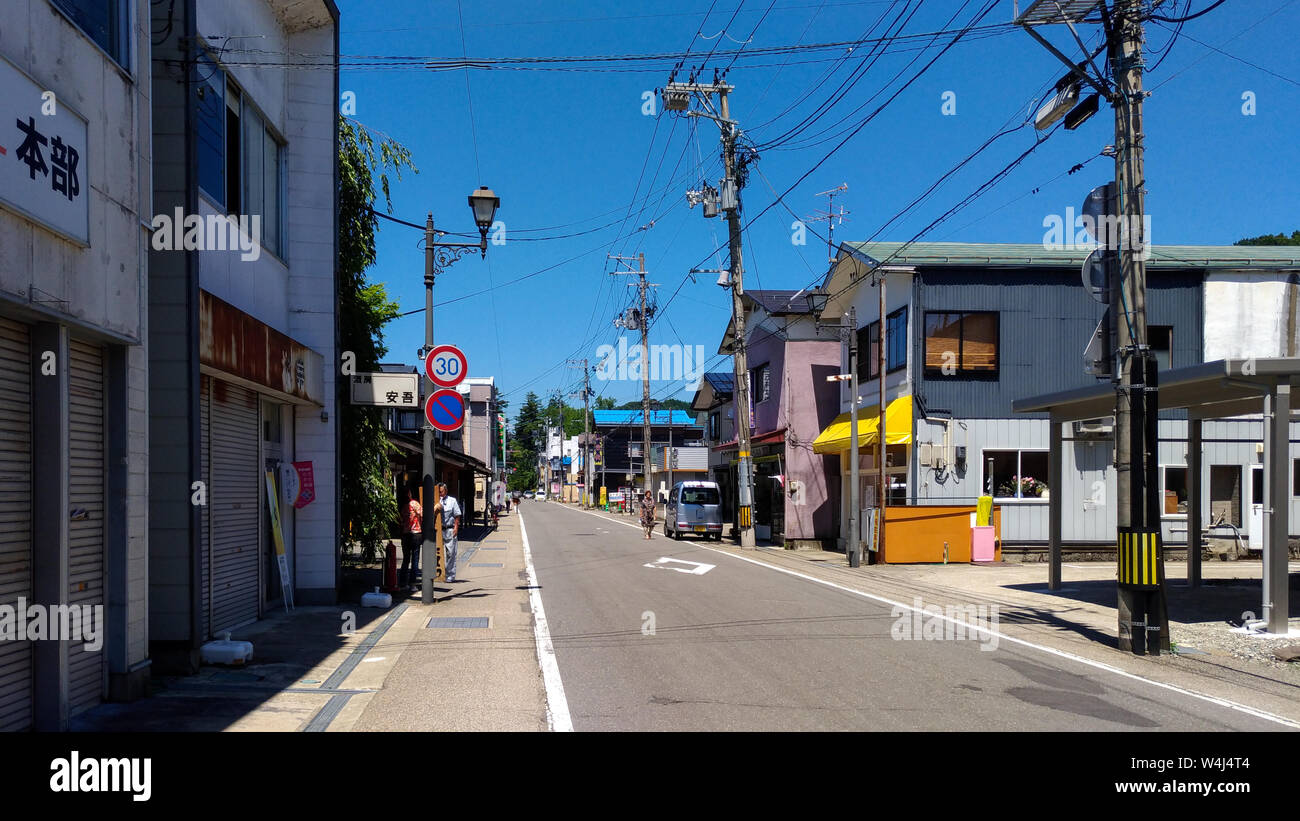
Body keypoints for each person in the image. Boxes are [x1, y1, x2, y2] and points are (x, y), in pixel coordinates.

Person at [399, 482, 423, 591]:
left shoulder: (402, 507)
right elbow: (423, 514)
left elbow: (400, 521)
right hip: (416, 533)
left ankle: (403, 583)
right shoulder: (414, 504)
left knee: (406, 559)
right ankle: (413, 583)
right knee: (415, 559)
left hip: (405, 534)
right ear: (409, 493)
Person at [438, 482, 463, 582]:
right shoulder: (435, 500)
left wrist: (456, 527)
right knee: (438, 552)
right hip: (439, 529)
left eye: (442, 492)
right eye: (439, 492)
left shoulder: (452, 501)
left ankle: (450, 574)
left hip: (449, 528)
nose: (440, 494)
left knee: (451, 553)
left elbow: (457, 515)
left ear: (446, 491)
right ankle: (439, 573)